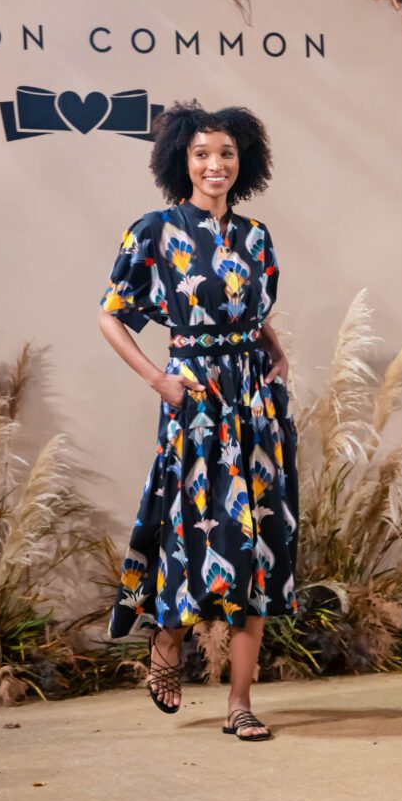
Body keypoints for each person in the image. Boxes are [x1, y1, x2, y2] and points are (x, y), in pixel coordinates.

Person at [98, 99, 299, 741]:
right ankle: (166, 642)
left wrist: (276, 349)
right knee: (193, 530)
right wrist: (159, 380)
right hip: (196, 403)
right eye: (203, 154)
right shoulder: (153, 230)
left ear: (245, 163)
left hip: (255, 405)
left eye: (227, 154)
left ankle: (240, 703)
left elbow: (251, 307)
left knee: (258, 543)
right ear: (181, 160)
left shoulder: (256, 236)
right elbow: (111, 314)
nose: (216, 165)